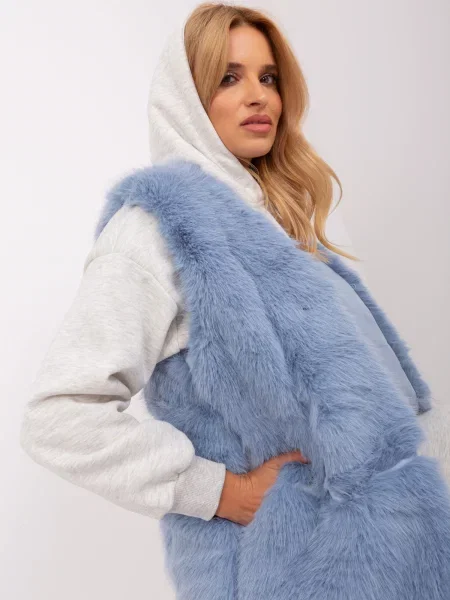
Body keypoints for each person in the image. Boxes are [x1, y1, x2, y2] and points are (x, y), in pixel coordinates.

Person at [20, 2, 450, 598]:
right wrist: (221, 492)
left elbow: (383, 409)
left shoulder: (283, 228)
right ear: (187, 98)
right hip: (279, 570)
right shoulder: (160, 229)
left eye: (268, 77)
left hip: (392, 562)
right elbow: (58, 417)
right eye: (229, 77)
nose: (258, 96)